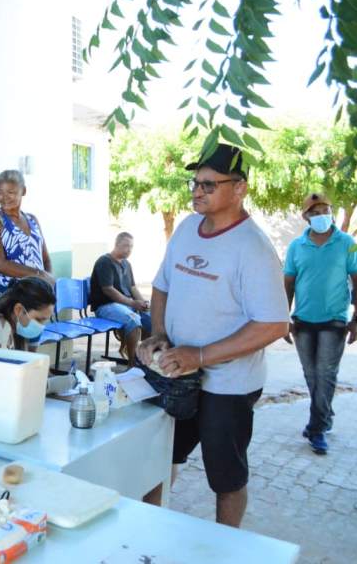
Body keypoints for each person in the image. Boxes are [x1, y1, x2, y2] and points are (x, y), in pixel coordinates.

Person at [138, 144, 288, 528]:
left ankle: (228, 545)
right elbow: (161, 286)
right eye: (195, 183)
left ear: (239, 188)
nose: (197, 191)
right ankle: (146, 531)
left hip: (230, 387)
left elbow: (274, 324)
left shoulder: (253, 248)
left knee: (226, 477)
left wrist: (201, 355)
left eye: (209, 184)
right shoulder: (187, 229)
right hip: (177, 375)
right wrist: (159, 334)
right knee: (159, 459)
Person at [283, 193, 357, 455]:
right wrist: (284, 318)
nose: (322, 216)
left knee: (326, 373)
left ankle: (316, 428)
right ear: (306, 217)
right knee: (311, 374)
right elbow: (288, 283)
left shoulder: (348, 244)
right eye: (315, 212)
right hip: (303, 321)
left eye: (326, 211)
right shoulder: (296, 246)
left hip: (334, 320)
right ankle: (324, 416)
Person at [0, 169, 54, 302]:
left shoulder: (32, 219)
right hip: (9, 295)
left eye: (11, 192)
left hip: (36, 294)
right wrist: (40, 275)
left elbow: (45, 259)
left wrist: (47, 282)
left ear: (23, 191)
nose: (4, 197)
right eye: (0, 192)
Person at [89, 232, 151, 363]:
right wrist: (133, 303)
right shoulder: (104, 262)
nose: (129, 250)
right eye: (126, 246)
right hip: (106, 306)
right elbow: (108, 289)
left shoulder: (127, 264)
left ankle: (145, 359)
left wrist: (143, 303)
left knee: (150, 318)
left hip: (125, 305)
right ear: (116, 244)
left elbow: (133, 287)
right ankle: (132, 363)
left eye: (131, 246)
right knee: (133, 320)